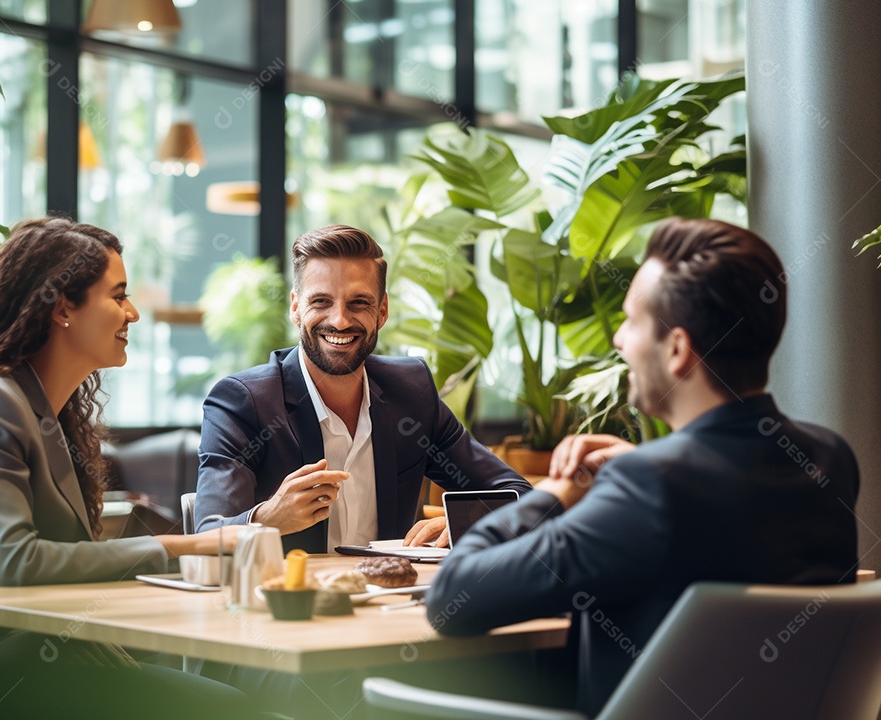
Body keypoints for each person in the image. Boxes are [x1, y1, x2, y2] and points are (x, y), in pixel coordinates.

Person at [426, 217, 860, 715]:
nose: (617, 339)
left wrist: (558, 491)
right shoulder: (829, 458)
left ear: (677, 350)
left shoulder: (649, 486)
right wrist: (646, 469)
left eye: (631, 321)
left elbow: (453, 597)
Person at [0, 217, 244, 719]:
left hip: (15, 646)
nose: (133, 313)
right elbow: (13, 563)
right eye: (119, 295)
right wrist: (181, 545)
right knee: (222, 708)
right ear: (63, 307)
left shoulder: (47, 414)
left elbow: (61, 563)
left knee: (224, 703)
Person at [194, 224, 531, 553]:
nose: (340, 320)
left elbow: (519, 494)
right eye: (322, 301)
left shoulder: (411, 393)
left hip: (392, 600)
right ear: (296, 308)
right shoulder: (242, 402)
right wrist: (268, 518)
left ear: (381, 311)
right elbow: (206, 534)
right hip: (285, 602)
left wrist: (463, 521)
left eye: (358, 303)